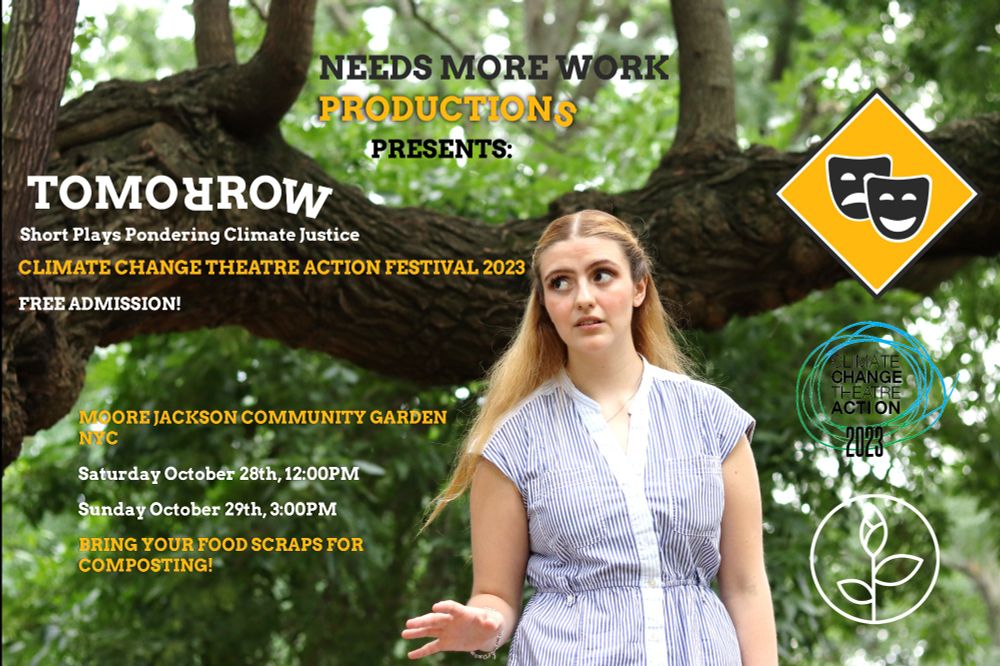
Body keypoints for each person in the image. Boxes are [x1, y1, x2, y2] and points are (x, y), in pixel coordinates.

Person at [402, 210, 778, 664]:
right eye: (561, 282)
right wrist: (483, 628)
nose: (583, 298)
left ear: (639, 288)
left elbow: (746, 586)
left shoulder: (711, 417)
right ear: (544, 304)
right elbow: (495, 597)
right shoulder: (510, 442)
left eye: (602, 275)